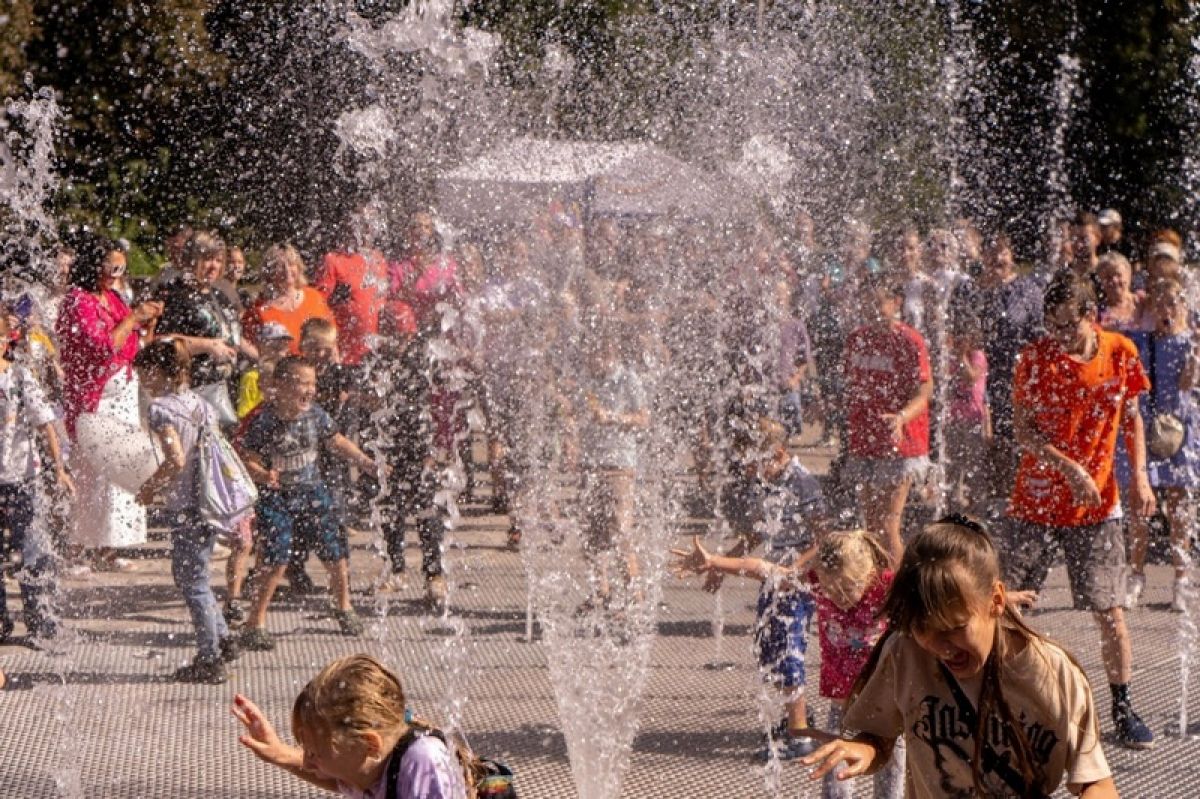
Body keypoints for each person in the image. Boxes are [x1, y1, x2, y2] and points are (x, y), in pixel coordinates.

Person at [803, 518, 1116, 798]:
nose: (940, 646)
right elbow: (879, 735)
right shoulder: (907, 651)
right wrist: (864, 748)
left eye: (954, 628)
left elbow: (1096, 783)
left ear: (995, 601)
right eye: (923, 628)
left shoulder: (1052, 672)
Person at [1002, 270, 1156, 749]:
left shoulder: (1120, 353)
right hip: (1036, 500)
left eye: (1068, 326)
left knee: (1110, 611)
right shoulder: (1034, 359)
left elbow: (1132, 420)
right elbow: (1024, 433)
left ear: (1092, 317)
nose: (1059, 336)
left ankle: (1123, 706)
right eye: (1052, 326)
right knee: (1007, 609)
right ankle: (1005, 703)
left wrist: (1142, 477)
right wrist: (1070, 469)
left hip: (1098, 505)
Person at [236, 357, 376, 650]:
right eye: (302, 383)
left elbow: (335, 440)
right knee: (277, 559)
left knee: (335, 553)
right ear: (279, 386)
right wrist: (263, 473)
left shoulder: (315, 415)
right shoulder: (264, 421)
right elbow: (245, 458)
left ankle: (344, 606)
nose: (310, 390)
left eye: (313, 383)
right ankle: (255, 622)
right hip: (276, 498)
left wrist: (364, 462)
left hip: (312, 492)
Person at [133, 338, 243, 683]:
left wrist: (150, 488)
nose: (140, 381)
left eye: (142, 374)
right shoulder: (201, 404)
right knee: (196, 575)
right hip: (211, 501)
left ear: (155, 371)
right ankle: (224, 639)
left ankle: (209, 659)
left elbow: (176, 459)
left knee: (192, 581)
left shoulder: (161, 408)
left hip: (187, 507)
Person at [56, 232, 163, 572]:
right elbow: (101, 347)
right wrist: (133, 319)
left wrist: (145, 322)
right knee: (92, 472)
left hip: (122, 393)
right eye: (110, 267)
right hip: (95, 396)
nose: (116, 273)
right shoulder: (78, 300)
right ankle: (76, 547)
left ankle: (108, 544)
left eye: (120, 268)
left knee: (120, 469)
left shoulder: (111, 297)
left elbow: (131, 343)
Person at [231, 654, 468, 797]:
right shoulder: (371, 763)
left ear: (369, 744)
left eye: (315, 753)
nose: (306, 761)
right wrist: (280, 753)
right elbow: (340, 780)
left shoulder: (423, 761)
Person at [841, 273, 932, 563]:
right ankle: (879, 587)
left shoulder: (909, 341)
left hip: (899, 441)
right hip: (866, 439)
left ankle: (900, 595)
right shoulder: (857, 339)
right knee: (871, 527)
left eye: (877, 302)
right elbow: (850, 385)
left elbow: (925, 391)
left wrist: (901, 417)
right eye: (865, 302)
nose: (870, 308)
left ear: (896, 303)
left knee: (889, 525)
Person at [360, 310, 449, 610]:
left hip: (420, 442)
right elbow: (367, 403)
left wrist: (436, 449)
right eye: (391, 335)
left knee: (426, 510)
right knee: (389, 507)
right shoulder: (375, 361)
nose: (396, 342)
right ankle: (396, 568)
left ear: (411, 335)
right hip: (389, 442)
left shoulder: (424, 361)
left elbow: (441, 402)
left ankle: (434, 574)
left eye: (402, 335)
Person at [1125, 277, 1200, 611]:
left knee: (1180, 508)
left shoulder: (1188, 342)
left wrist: (1197, 351)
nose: (1167, 310)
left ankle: (1181, 581)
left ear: (1183, 306)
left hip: (1181, 433)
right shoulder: (1142, 341)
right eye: (1161, 303)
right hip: (1150, 430)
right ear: (1152, 307)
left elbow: (1187, 384)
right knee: (1140, 507)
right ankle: (1135, 576)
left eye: (1173, 303)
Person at [0, 307, 74, 642]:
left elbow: (46, 424)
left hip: (20, 475)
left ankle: (40, 616)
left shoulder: (18, 377)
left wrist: (59, 469)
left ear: (7, 340)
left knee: (31, 547)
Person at [152, 230, 253, 427]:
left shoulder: (221, 296)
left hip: (225, 387)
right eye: (207, 259)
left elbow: (233, 338)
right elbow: (162, 341)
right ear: (192, 260)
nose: (213, 266)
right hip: (193, 390)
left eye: (218, 260)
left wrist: (264, 359)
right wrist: (207, 345)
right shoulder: (175, 295)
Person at [314, 205, 391, 366]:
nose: (365, 227)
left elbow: (382, 303)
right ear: (348, 225)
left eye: (369, 223)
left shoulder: (378, 260)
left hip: (373, 356)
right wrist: (330, 343)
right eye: (360, 222)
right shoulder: (334, 260)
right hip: (344, 353)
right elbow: (319, 307)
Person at [242, 244, 335, 352]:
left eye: (291, 264)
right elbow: (247, 346)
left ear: (298, 267)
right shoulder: (259, 310)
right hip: (283, 368)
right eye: (280, 266)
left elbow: (332, 339)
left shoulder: (314, 297)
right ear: (269, 272)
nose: (287, 270)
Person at [944, 320, 990, 513]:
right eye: (958, 337)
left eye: (965, 337)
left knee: (973, 466)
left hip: (972, 419)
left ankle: (977, 507)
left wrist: (962, 355)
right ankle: (951, 507)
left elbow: (970, 377)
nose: (960, 341)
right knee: (952, 466)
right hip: (953, 420)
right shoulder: (949, 358)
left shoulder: (977, 357)